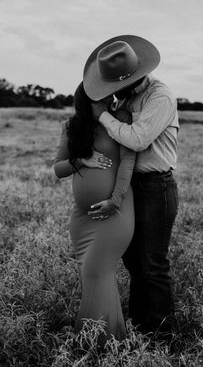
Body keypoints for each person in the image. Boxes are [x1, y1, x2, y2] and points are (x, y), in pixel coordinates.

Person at [85, 35, 179, 342]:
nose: (111, 94)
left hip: (155, 186)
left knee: (153, 263)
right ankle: (140, 327)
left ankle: (163, 335)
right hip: (130, 187)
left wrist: (102, 116)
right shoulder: (124, 100)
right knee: (134, 261)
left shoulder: (159, 96)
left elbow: (138, 139)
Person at [54, 82, 136, 346]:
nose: (110, 102)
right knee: (93, 275)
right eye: (102, 99)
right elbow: (58, 168)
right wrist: (82, 159)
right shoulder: (71, 126)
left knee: (95, 270)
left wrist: (115, 200)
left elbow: (127, 162)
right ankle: (112, 338)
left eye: (110, 98)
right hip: (82, 218)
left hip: (116, 211)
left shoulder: (120, 120)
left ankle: (92, 340)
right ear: (86, 101)